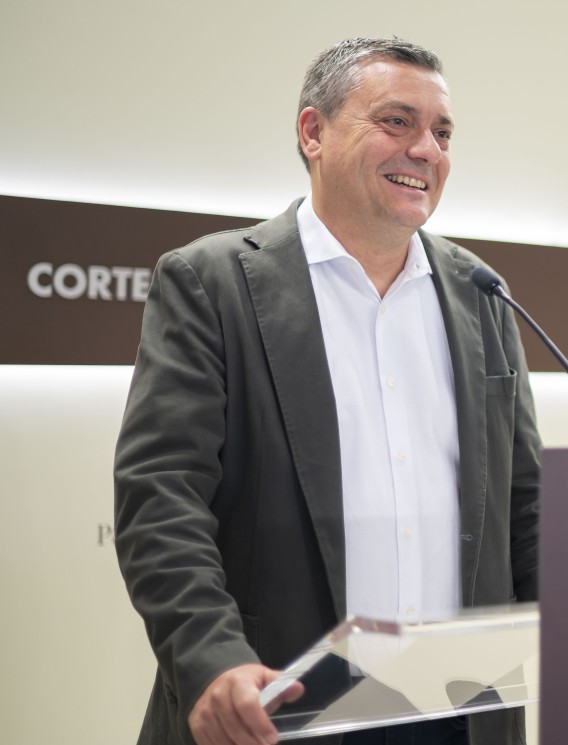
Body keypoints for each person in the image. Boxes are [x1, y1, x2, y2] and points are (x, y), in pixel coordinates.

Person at [114, 37, 542, 745]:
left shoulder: (480, 292)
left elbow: (525, 499)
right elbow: (162, 497)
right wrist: (211, 659)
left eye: (442, 133)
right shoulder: (210, 283)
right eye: (397, 121)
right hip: (279, 707)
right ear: (314, 132)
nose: (426, 150)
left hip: (462, 713)